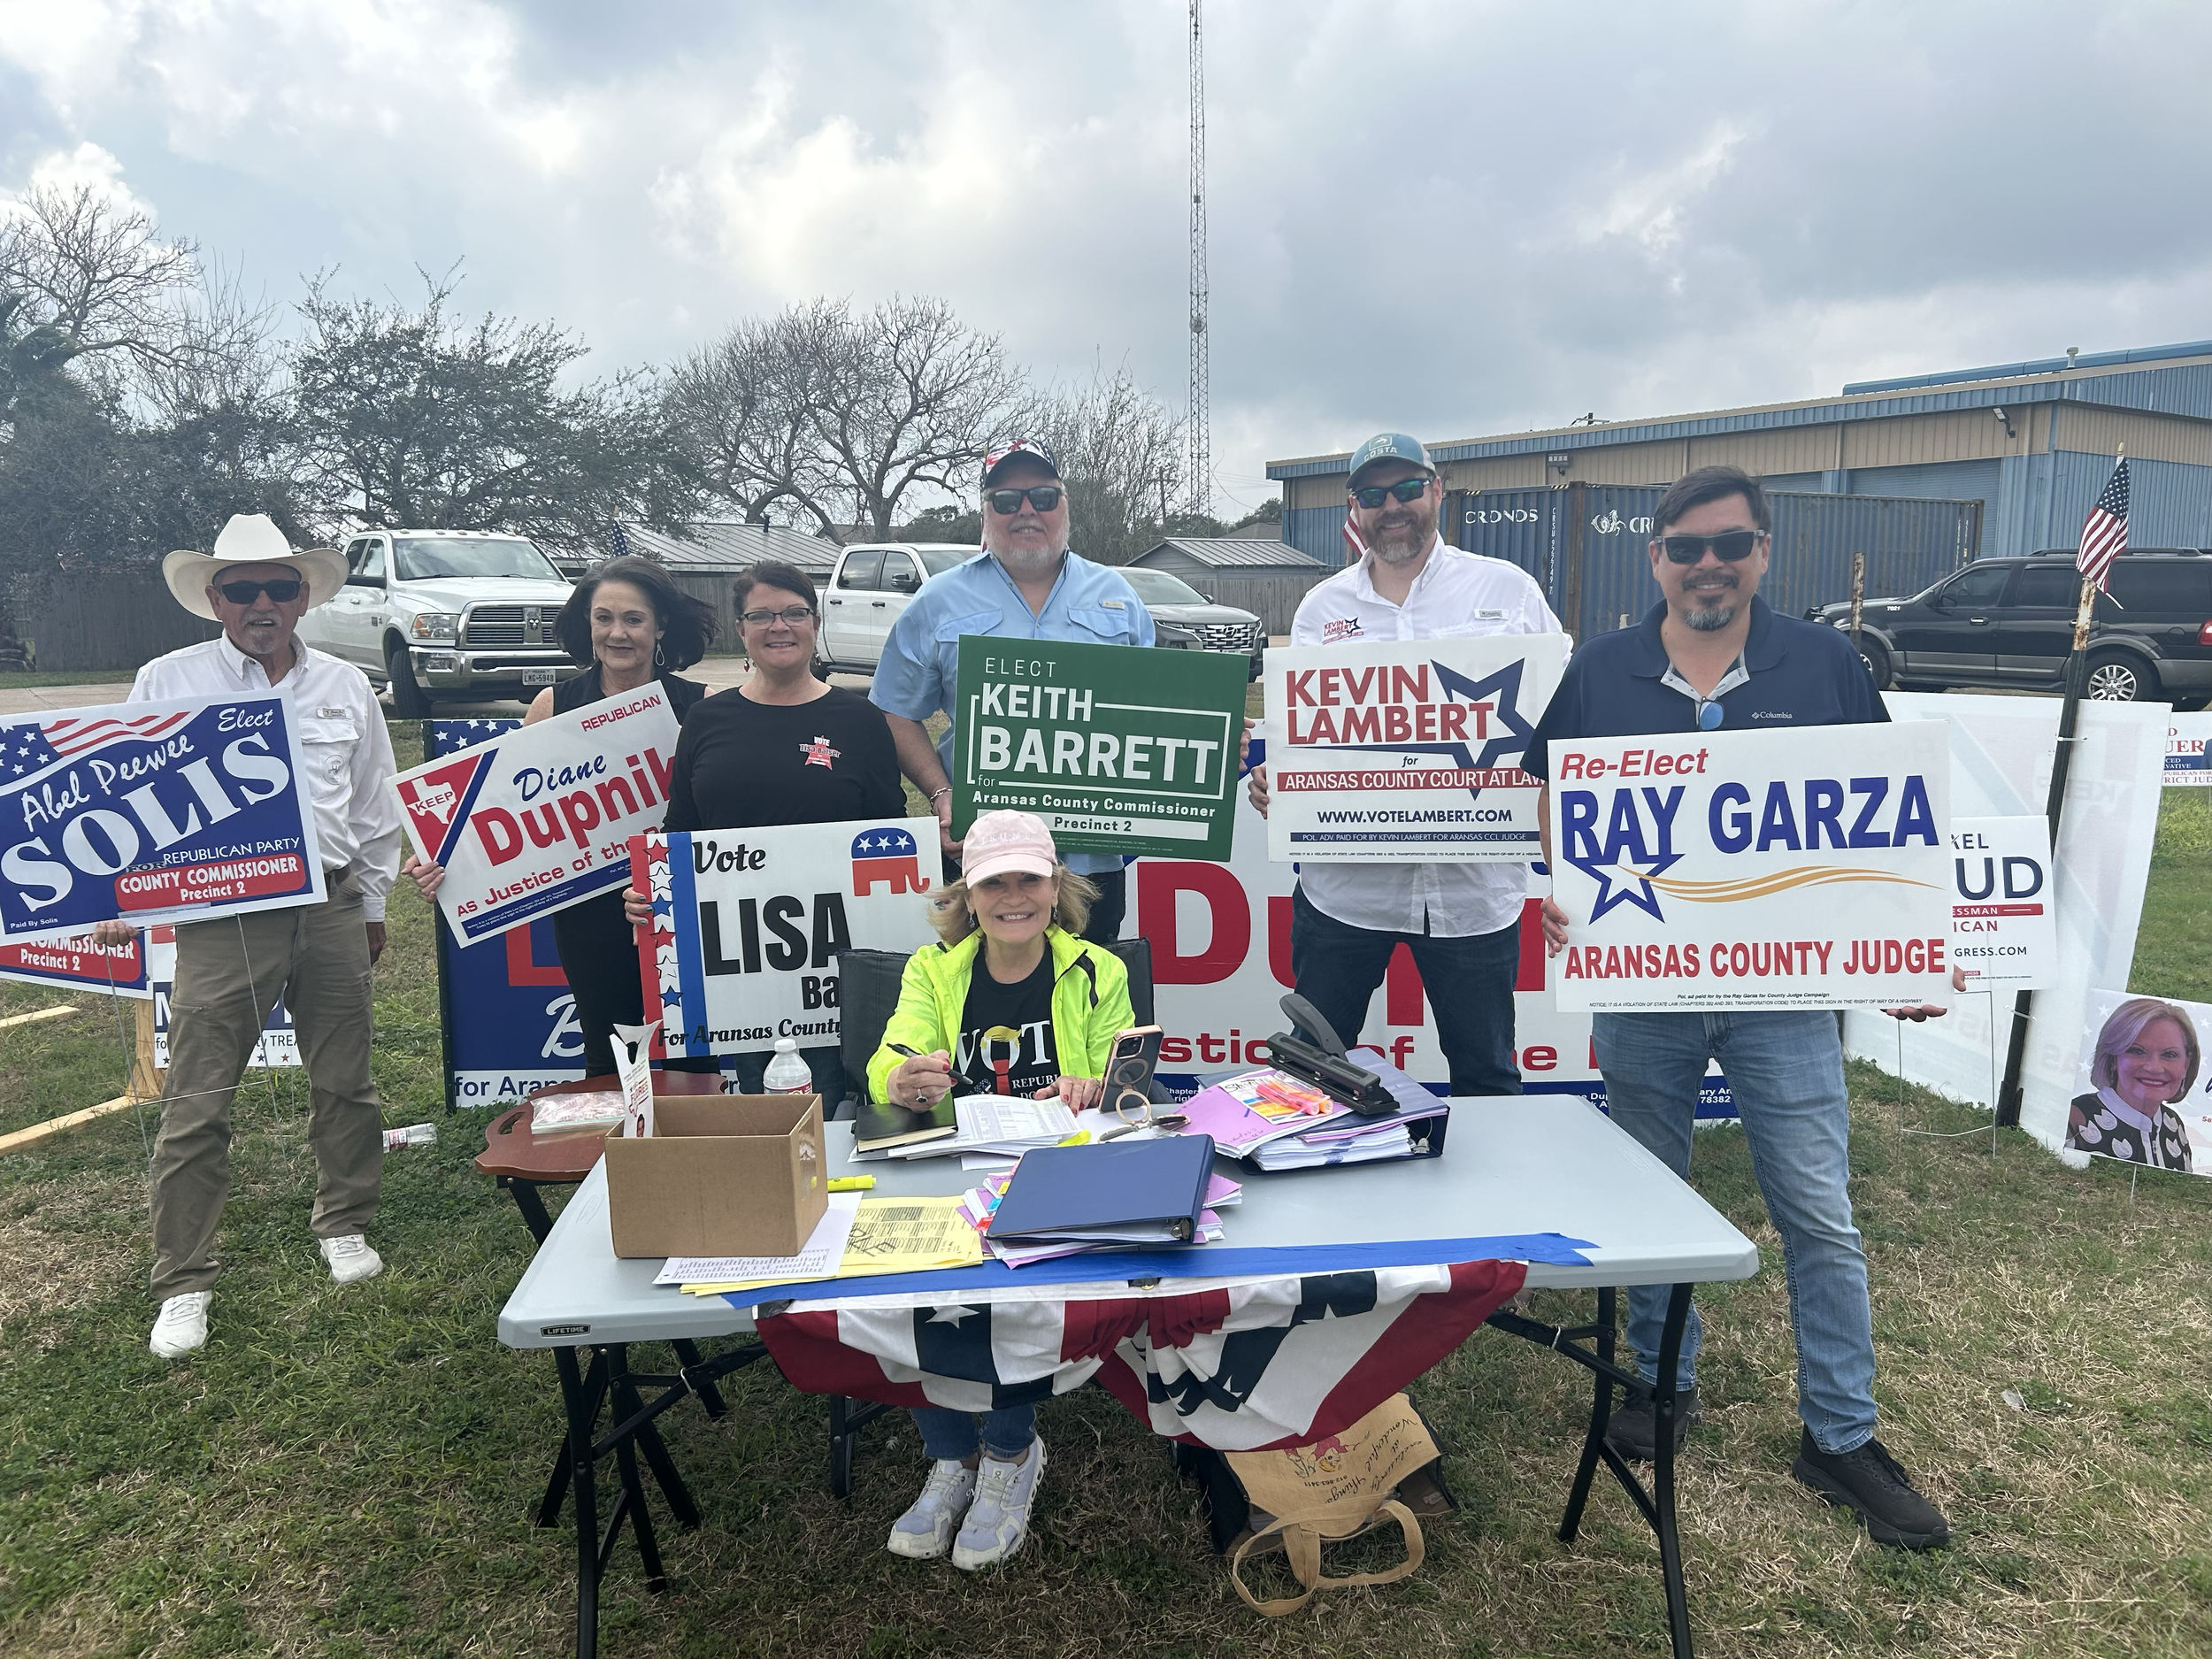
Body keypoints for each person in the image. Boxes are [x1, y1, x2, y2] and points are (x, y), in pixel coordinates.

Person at [1525, 464, 1952, 1550]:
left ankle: (1841, 1435)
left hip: (1783, 994)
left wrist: (1896, 948)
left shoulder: (1826, 663)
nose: (1708, 564)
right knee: (1651, 1202)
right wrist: (1566, 892)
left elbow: (1882, 817)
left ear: (1764, 552)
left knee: (1816, 1214)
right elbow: (1549, 794)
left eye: (1731, 544)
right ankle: (1663, 1385)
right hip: (1645, 989)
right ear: (1655, 557)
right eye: (1686, 546)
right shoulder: (1601, 669)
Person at [102, 514, 403, 1361]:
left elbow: (377, 805)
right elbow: (123, 797)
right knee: (197, 1097)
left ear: (304, 595)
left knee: (347, 1082)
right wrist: (113, 884)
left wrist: (372, 905)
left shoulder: (346, 685)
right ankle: (183, 1279)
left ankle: (344, 1221)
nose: (262, 602)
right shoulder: (168, 679)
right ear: (214, 598)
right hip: (222, 917)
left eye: (279, 586)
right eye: (243, 588)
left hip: (334, 907)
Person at [1246, 432, 1563, 1094]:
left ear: (1437, 491)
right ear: (1354, 508)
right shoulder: (1321, 609)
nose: (1392, 506)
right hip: (1346, 897)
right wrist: (1282, 779)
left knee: (1487, 1074)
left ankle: (1492, 1199)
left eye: (1407, 489)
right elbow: (1301, 738)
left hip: (1473, 894)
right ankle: (1318, 1189)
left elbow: (1557, 726)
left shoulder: (1509, 590)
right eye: (1372, 494)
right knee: (1313, 1074)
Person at [865, 810, 1133, 1569]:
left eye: (1030, 879)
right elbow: (895, 1050)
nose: (1013, 895)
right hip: (951, 1169)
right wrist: (898, 1076)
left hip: (1052, 1176)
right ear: (969, 896)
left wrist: (1102, 1087)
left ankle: (1011, 1453)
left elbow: (1128, 1089)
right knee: (914, 1282)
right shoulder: (933, 968)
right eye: (994, 882)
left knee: (1011, 1293)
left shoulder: (1097, 970)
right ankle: (949, 1457)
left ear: (1057, 888)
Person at [404, 555, 716, 1080]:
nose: (618, 633)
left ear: (660, 626)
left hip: (673, 900)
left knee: (691, 1049)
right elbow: (506, 809)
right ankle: (608, 1161)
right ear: (586, 624)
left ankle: (693, 1159)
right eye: (604, 618)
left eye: (634, 620)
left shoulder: (701, 705)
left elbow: (720, 812)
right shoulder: (553, 704)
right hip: (588, 907)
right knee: (607, 1050)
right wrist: (443, 857)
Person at [620, 561, 907, 1094]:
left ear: (814, 623)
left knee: (849, 1100)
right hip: (738, 963)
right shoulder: (707, 720)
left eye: (795, 613)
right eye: (762, 615)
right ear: (742, 630)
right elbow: (679, 828)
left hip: (840, 956)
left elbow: (890, 834)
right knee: (764, 1102)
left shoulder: (859, 721)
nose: (780, 626)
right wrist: (651, 891)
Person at [871, 438, 1152, 943]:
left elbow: (1149, 712)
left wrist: (1209, 734)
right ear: (985, 512)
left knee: (1090, 998)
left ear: (1065, 504)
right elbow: (893, 709)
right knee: (981, 1004)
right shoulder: (938, 599)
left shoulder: (1118, 596)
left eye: (1043, 497)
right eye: (1006, 500)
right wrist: (941, 794)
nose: (1026, 511)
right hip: (983, 852)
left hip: (1090, 858)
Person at [2067, 998, 2199, 1170]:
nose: (2154, 1068)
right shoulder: (2076, 1117)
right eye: (2137, 1051)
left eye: (2169, 1055)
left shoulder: (2174, 1124)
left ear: (2186, 1064)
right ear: (2113, 1058)